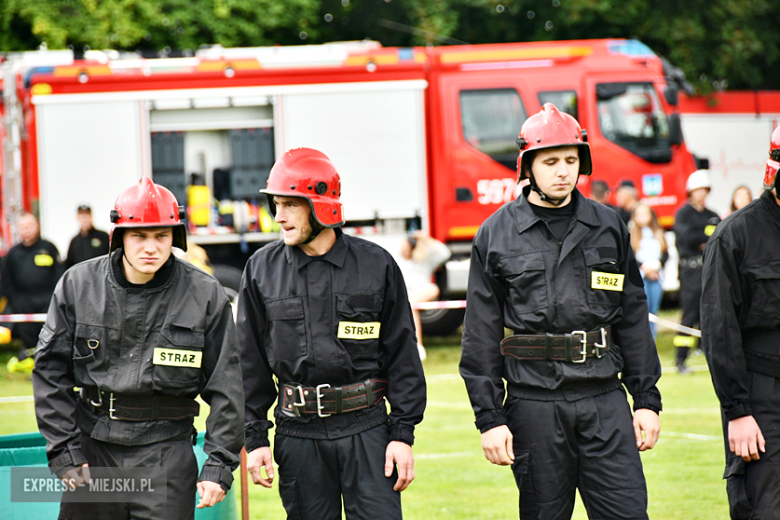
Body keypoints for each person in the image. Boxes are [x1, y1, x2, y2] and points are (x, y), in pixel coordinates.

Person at [460, 103, 661, 520]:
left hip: (604, 399)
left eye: (571, 160)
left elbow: (632, 319)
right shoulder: (495, 235)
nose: (563, 171)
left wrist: (645, 400)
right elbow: (479, 335)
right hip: (534, 405)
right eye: (550, 161)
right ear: (527, 167)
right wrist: (490, 418)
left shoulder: (608, 227)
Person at [33, 177, 244, 520]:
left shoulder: (205, 295)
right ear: (120, 238)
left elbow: (228, 386)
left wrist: (219, 464)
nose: (151, 248)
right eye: (140, 236)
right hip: (94, 451)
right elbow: (49, 374)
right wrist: (65, 453)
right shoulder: (77, 285)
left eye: (161, 236)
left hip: (166, 453)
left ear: (175, 238)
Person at [238, 148, 426, 520]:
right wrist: (255, 437)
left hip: (368, 429)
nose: (280, 217)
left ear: (321, 205)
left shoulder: (376, 265)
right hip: (298, 436)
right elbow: (249, 362)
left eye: (291, 205)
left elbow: (403, 353)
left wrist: (402, 434)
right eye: (276, 204)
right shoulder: (261, 270)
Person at [701, 126, 780, 519]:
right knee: (764, 507)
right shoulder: (735, 235)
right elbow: (719, 331)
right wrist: (738, 411)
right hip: (761, 392)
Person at [0, 213, 63, 369]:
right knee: (27, 334)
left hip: (47, 301)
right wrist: (16, 301)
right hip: (23, 303)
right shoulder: (14, 253)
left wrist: (54, 298)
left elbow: (60, 275)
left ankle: (50, 361)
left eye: (29, 226)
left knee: (49, 333)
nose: (26, 230)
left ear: (37, 226)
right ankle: (30, 359)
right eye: (23, 227)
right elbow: (7, 280)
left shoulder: (49, 248)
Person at [673, 170, 720, 373]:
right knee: (689, 314)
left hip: (708, 269)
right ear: (690, 191)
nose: (701, 193)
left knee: (711, 314)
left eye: (704, 190)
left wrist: (702, 239)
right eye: (697, 190)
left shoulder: (712, 215)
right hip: (690, 270)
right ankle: (681, 359)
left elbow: (718, 238)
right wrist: (703, 237)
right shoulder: (683, 214)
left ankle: (711, 356)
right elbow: (686, 239)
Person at [398, 231, 451, 360]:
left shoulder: (425, 259)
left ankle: (418, 346)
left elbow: (445, 253)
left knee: (413, 303)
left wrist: (425, 239)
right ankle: (416, 346)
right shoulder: (398, 261)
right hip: (408, 296)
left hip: (424, 291)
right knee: (410, 306)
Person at [630, 203, 668, 339]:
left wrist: (656, 266)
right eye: (639, 214)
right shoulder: (631, 234)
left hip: (656, 276)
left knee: (654, 311)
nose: (643, 217)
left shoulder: (658, 232)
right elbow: (631, 256)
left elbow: (665, 254)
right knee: (643, 312)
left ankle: (653, 342)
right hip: (641, 278)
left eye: (645, 213)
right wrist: (646, 268)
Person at [65, 204, 110, 268]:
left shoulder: (103, 236)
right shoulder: (74, 241)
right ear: (77, 218)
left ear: (91, 217)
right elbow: (69, 264)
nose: (84, 219)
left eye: (86, 216)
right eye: (82, 216)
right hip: (81, 277)